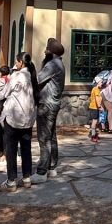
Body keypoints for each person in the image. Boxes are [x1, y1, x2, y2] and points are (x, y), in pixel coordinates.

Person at [0, 52, 38, 192]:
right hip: (28, 118)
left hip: (14, 117)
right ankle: (26, 178)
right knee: (26, 148)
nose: (16, 64)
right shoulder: (32, 76)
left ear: (20, 62)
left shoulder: (17, 75)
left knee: (11, 148)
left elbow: (4, 92)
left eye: (16, 61)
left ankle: (11, 181)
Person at [31, 38, 65, 183]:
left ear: (51, 52)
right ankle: (51, 167)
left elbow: (37, 80)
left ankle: (42, 171)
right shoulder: (59, 64)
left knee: (44, 138)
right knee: (51, 137)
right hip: (54, 104)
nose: (45, 53)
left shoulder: (52, 65)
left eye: (46, 50)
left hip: (46, 105)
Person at [99, 66, 112, 133]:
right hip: (107, 93)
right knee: (110, 110)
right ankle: (111, 128)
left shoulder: (106, 73)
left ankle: (102, 127)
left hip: (101, 92)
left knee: (103, 109)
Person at [88, 78, 103, 143]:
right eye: (101, 82)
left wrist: (100, 106)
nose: (102, 83)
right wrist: (99, 106)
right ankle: (93, 136)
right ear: (97, 83)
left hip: (95, 107)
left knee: (95, 121)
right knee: (94, 122)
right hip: (94, 107)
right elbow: (97, 99)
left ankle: (95, 134)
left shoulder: (96, 89)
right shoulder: (96, 89)